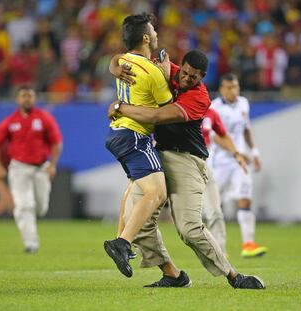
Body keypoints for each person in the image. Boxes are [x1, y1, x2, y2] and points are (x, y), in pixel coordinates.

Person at [109, 49, 265, 289]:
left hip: (187, 161)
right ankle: (172, 274)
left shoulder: (200, 97)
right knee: (135, 219)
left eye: (193, 77)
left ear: (202, 77)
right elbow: (124, 57)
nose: (186, 79)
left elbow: (158, 116)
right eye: (184, 73)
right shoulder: (167, 70)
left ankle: (234, 276)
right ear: (179, 66)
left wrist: (120, 107)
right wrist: (115, 67)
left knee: (189, 229)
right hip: (158, 155)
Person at [103, 13, 183, 282]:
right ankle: (123, 243)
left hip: (119, 131)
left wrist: (113, 64)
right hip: (135, 136)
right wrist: (165, 73)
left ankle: (120, 238)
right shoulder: (152, 72)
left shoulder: (123, 61)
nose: (157, 33)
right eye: (153, 30)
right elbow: (168, 106)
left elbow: (115, 60)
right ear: (146, 37)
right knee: (156, 193)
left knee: (136, 186)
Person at [0, 86, 62, 253]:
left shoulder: (44, 118)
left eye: (30, 96)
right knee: (24, 205)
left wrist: (52, 165)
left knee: (41, 208)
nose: (27, 99)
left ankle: (30, 226)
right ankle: (31, 244)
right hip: (19, 168)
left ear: (34, 99)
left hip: (41, 168)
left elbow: (57, 142)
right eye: (23, 96)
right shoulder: (11, 121)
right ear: (18, 99)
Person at [209, 73, 268, 258]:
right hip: (220, 162)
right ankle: (218, 247)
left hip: (239, 162)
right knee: (214, 205)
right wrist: (236, 152)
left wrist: (255, 153)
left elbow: (246, 129)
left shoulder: (243, 103)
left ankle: (248, 244)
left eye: (234, 87)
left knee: (245, 198)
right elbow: (213, 136)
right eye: (228, 87)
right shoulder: (214, 107)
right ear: (221, 89)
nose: (232, 91)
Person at [202, 108, 248, 253]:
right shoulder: (178, 108)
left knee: (215, 210)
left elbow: (221, 135)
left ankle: (220, 252)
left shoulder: (211, 113)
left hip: (203, 163)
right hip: (178, 162)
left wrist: (236, 153)